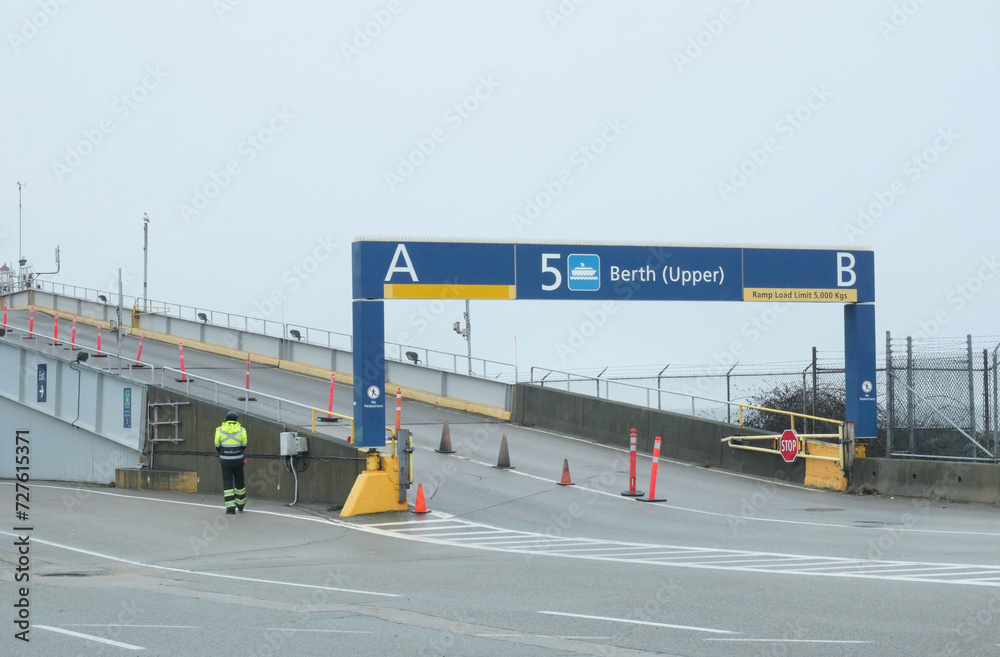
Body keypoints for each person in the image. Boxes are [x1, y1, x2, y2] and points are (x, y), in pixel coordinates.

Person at [214, 411, 248, 514]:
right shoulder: (242, 430)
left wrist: (224, 454)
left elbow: (217, 445)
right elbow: (244, 445)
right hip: (238, 460)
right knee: (240, 481)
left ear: (226, 419)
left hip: (225, 461)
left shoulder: (219, 430)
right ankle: (241, 505)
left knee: (227, 483)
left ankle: (230, 508)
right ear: (236, 419)